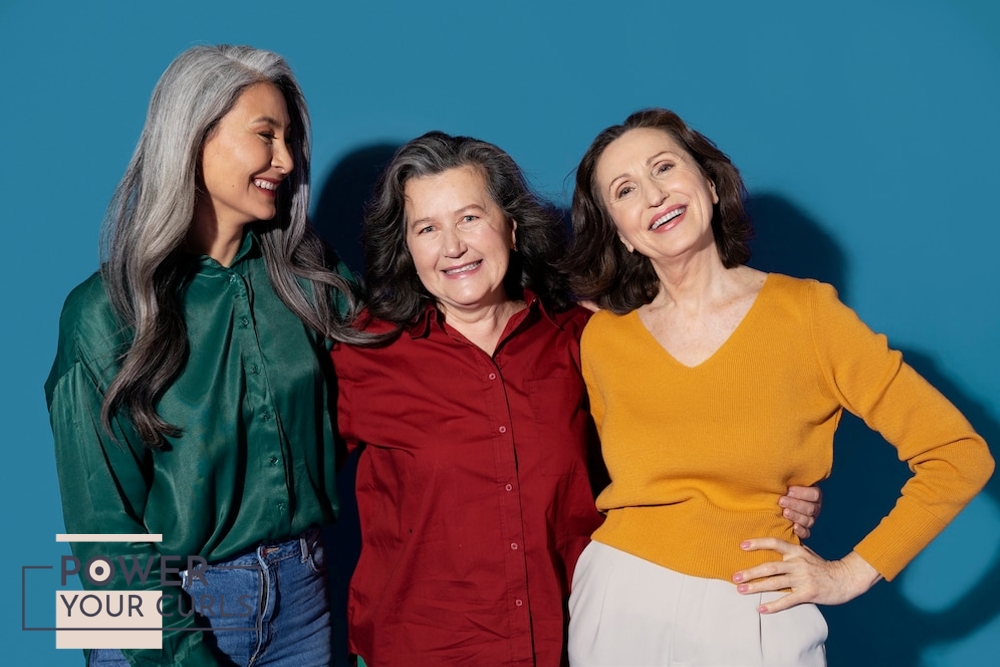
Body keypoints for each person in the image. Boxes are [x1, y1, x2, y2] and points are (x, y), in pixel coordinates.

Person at [331, 131, 822, 666]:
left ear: (512, 228)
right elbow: (285, 479)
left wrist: (772, 491)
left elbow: (689, 438)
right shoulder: (364, 352)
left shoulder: (587, 340)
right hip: (418, 650)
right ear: (407, 248)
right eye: (427, 228)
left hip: (575, 644)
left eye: (470, 218)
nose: (453, 246)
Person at [562, 108, 994, 666]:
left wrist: (852, 573)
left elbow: (959, 455)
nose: (653, 194)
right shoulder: (600, 338)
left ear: (711, 184)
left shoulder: (808, 315)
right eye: (625, 189)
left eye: (664, 167)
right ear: (618, 230)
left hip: (754, 606)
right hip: (619, 601)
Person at [45, 45, 363, 666]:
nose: (288, 160)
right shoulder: (100, 312)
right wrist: (178, 651)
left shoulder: (311, 280)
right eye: (266, 135)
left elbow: (408, 368)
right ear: (193, 139)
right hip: (161, 615)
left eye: (291, 138)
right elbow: (99, 531)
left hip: (301, 597)